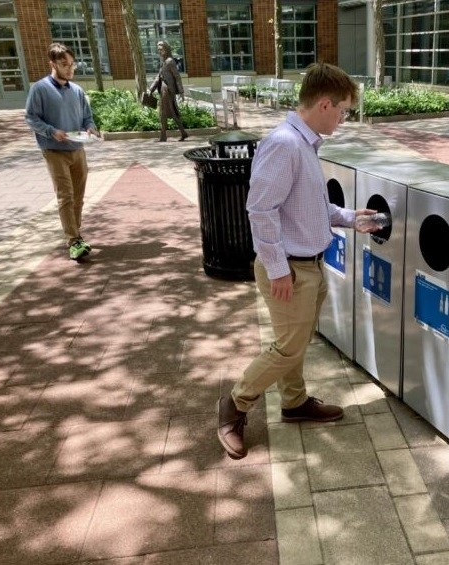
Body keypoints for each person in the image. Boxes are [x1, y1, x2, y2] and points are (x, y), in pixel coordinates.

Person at [217, 62, 378, 460]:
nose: (343, 119)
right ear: (324, 104)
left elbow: (309, 207)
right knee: (288, 347)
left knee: (296, 341)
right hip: (289, 268)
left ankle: (294, 402)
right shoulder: (285, 144)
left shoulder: (304, 144)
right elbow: (260, 209)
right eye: (342, 111)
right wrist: (278, 269)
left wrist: (349, 218)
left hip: (308, 263)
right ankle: (235, 405)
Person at [25, 42, 99, 261]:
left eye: (71, 64)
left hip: (78, 148)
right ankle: (73, 240)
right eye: (64, 64)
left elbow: (87, 116)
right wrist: (50, 131)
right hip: (54, 150)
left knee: (79, 197)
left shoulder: (77, 90)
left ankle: (75, 234)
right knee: (65, 196)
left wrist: (90, 127)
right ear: (52, 64)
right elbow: (31, 117)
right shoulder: (39, 88)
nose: (69, 69)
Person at [149, 40, 188, 142]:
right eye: (158, 50)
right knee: (168, 112)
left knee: (166, 112)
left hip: (167, 90)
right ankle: (181, 133)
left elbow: (177, 77)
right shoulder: (164, 62)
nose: (159, 51)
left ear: (166, 49)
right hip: (163, 89)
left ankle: (164, 136)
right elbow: (158, 77)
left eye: (161, 49)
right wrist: (151, 89)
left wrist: (181, 92)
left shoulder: (170, 61)